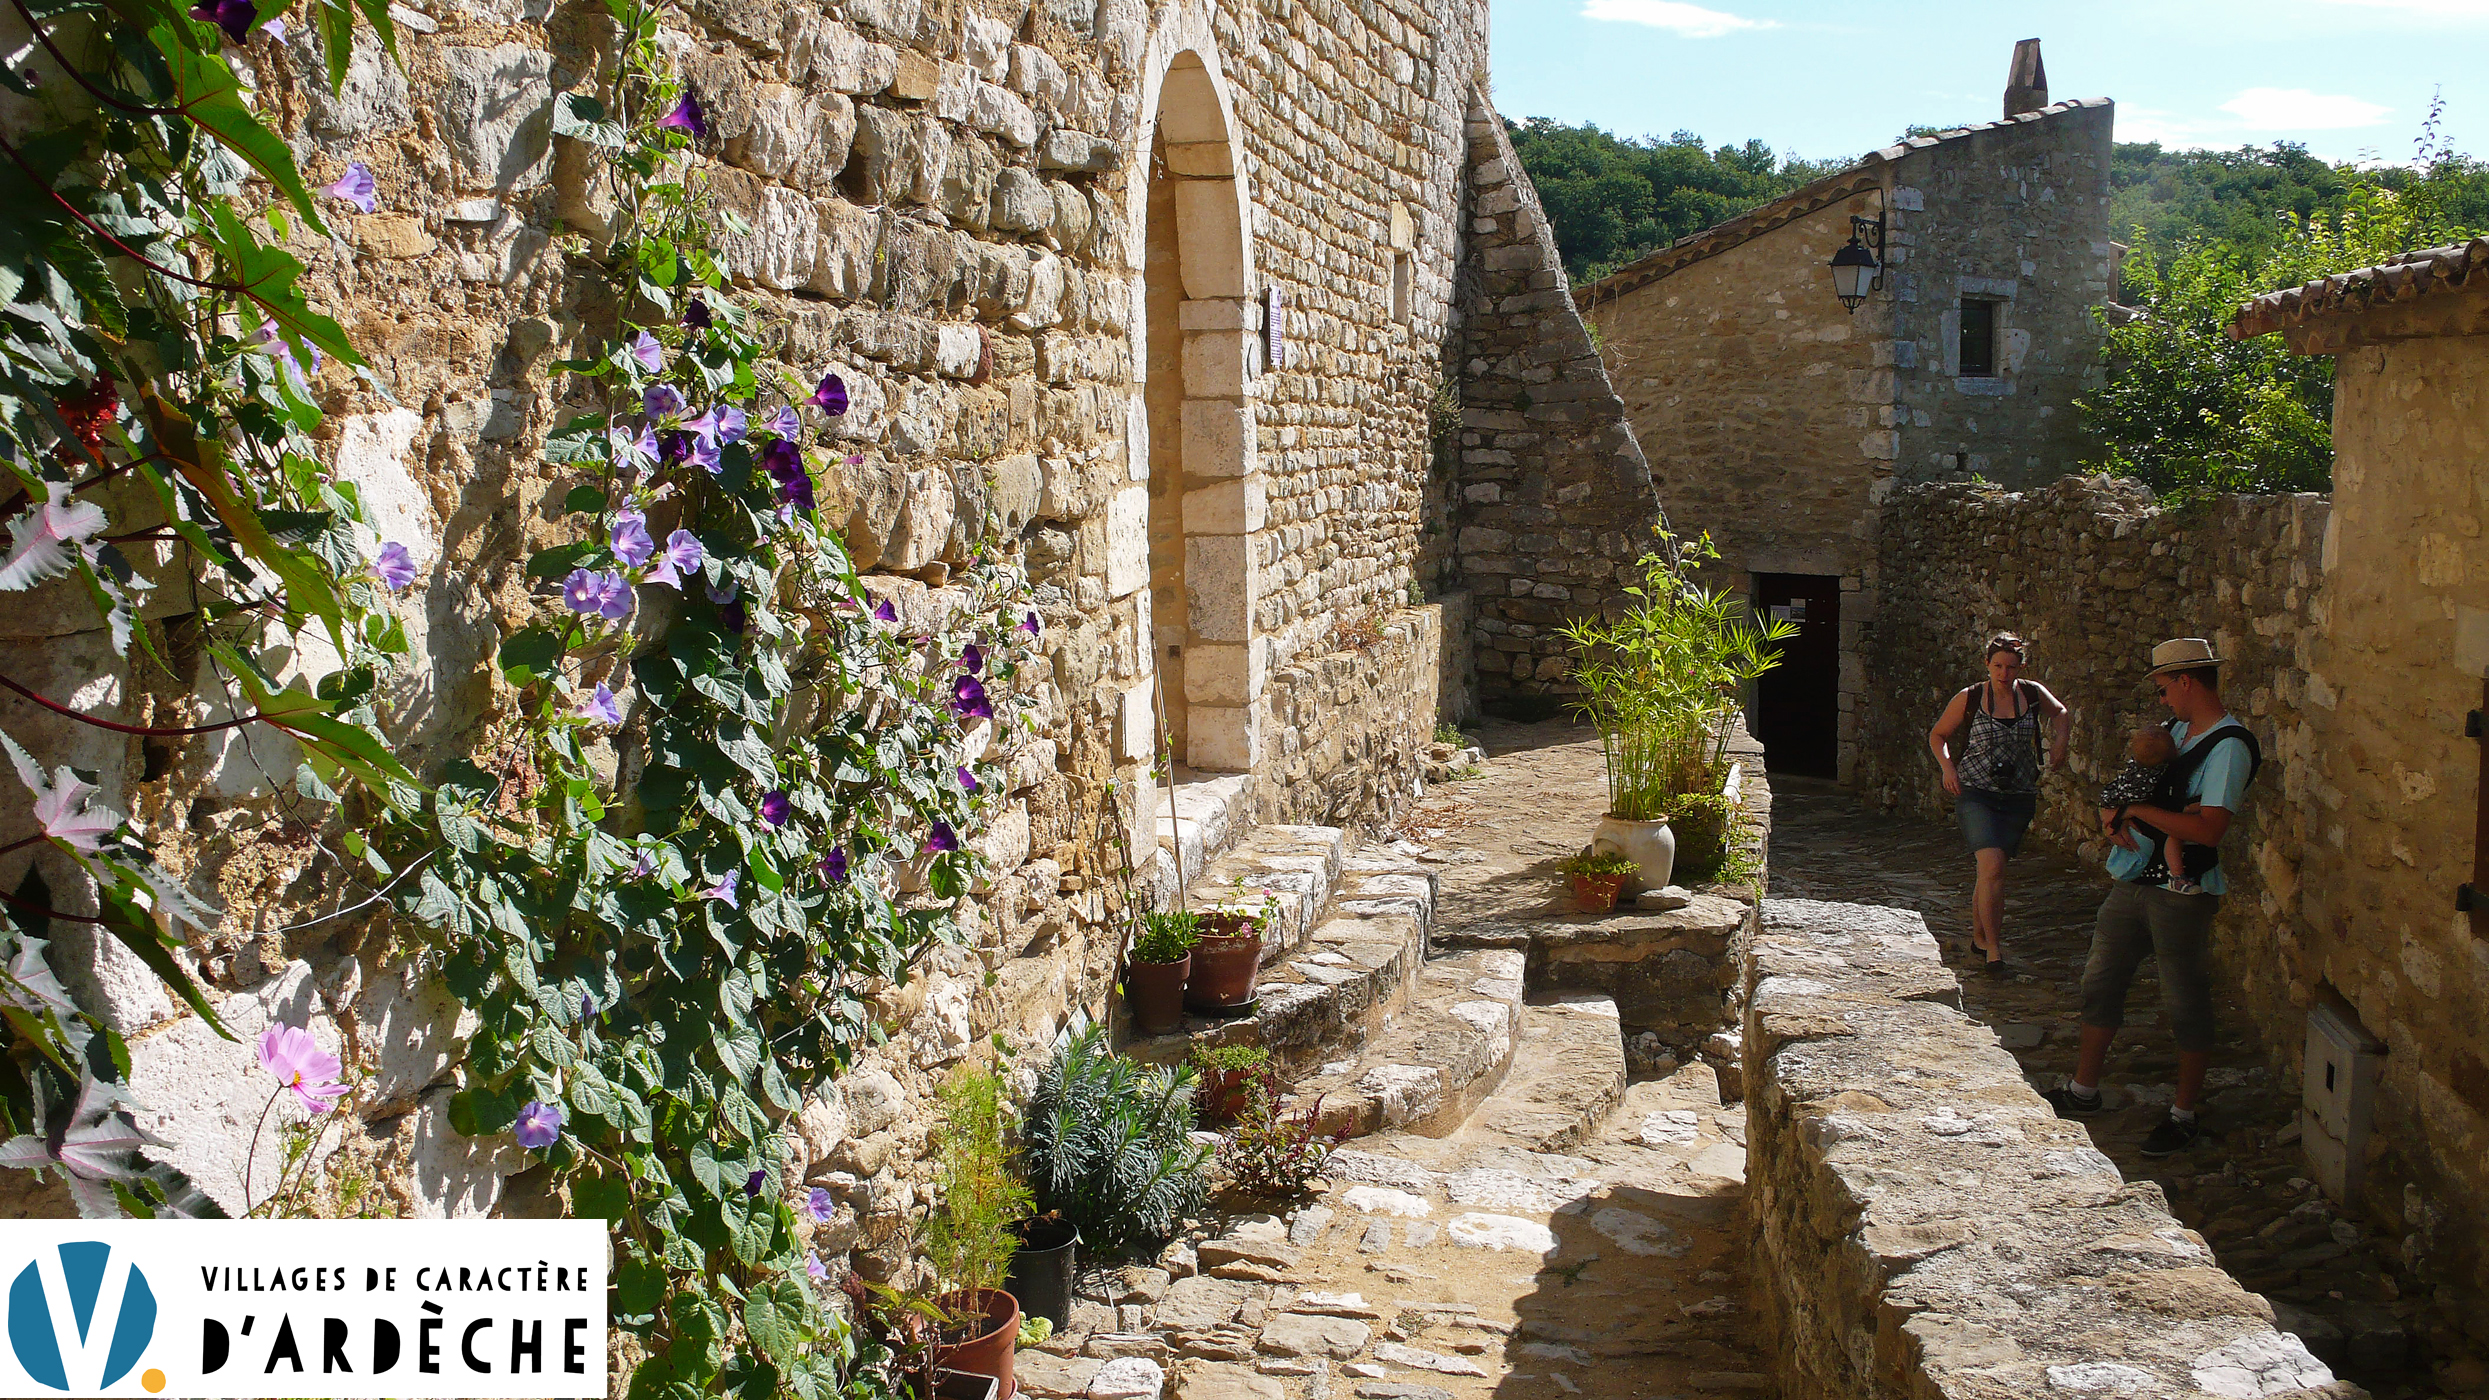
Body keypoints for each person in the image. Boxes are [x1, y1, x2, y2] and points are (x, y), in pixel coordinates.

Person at [2044, 638, 2263, 1157]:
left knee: (2185, 999)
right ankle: (2084, 1090)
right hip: (2135, 882)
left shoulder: (2229, 746)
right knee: (2101, 980)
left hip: (2183, 895)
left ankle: (2183, 1113)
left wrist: (2137, 813)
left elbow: (2208, 830)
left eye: (2165, 688)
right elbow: (2130, 784)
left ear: (2187, 682)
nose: (2162, 700)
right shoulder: (2174, 733)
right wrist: (2110, 815)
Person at [1927, 632, 2071, 975]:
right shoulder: (1971, 697)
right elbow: (1937, 735)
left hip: (2019, 795)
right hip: (1976, 792)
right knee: (1992, 868)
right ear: (1987, 665)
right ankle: (1994, 950)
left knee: (1990, 871)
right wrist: (1948, 768)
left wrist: (2060, 744)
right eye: (1997, 666)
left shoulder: (2032, 694)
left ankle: (1979, 936)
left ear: (2020, 667)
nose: (2003, 673)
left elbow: (2061, 713)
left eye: (2010, 667)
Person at [2099, 725, 2206, 894]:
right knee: (2176, 833)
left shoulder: (2135, 769)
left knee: (2132, 846)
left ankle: (2122, 870)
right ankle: (2177, 877)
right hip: (2143, 818)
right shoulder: (2155, 778)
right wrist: (2196, 806)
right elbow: (2166, 804)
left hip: (2119, 808)